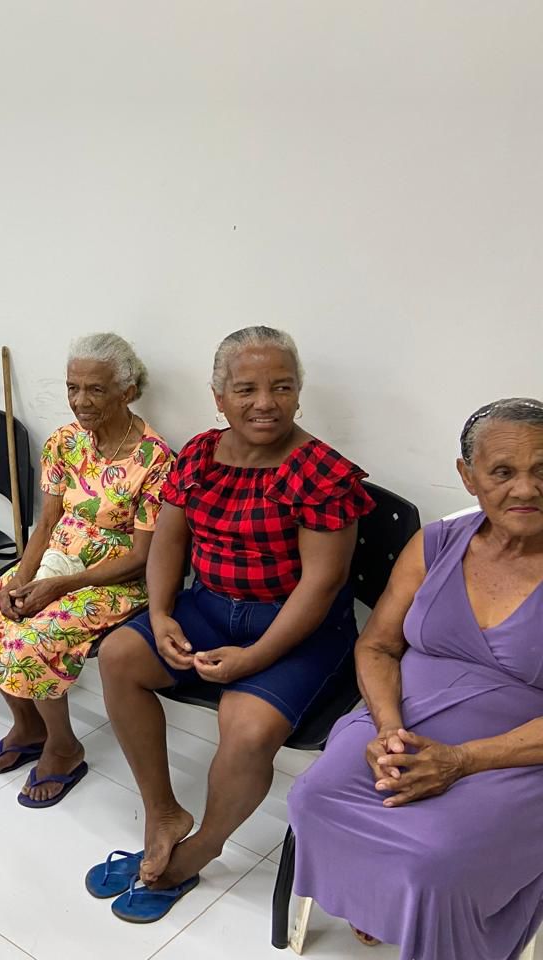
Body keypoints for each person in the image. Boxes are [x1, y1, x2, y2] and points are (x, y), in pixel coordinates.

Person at [93, 326, 374, 922]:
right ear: (219, 397)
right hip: (210, 606)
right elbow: (169, 541)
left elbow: (321, 586)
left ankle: (200, 849)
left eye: (281, 387)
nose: (265, 403)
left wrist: (256, 657)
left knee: (244, 726)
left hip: (299, 626)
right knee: (118, 656)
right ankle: (163, 814)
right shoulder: (200, 454)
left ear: (298, 393)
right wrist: (161, 614)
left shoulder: (322, 472)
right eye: (246, 389)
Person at [286, 398, 543, 960]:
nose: (525, 489)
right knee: (314, 797)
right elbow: (378, 645)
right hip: (402, 717)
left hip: (520, 752)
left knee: (438, 858)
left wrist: (462, 760)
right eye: (503, 472)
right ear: (468, 476)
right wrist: (388, 730)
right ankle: (376, 901)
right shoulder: (436, 544)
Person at [0, 333, 174, 808]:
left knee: (33, 639)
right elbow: (48, 522)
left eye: (95, 389)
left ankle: (64, 746)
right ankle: (29, 726)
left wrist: (58, 587)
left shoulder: (155, 459)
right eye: (74, 387)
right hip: (56, 559)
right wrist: (22, 578)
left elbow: (141, 557)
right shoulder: (64, 442)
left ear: (127, 391)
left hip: (115, 578)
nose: (80, 401)